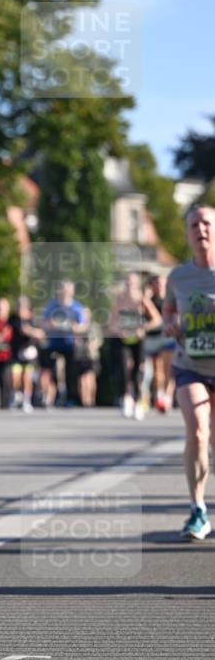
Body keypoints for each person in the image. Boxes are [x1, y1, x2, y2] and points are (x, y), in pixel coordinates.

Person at [163, 202, 215, 541]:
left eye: (207, 223)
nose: (201, 230)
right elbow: (168, 309)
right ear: (186, 234)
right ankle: (197, 509)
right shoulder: (178, 277)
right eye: (194, 225)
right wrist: (170, 323)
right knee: (197, 431)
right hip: (190, 364)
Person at [108, 272, 161, 420]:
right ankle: (126, 399)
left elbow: (157, 320)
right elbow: (111, 322)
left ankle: (138, 401)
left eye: (132, 282)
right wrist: (119, 331)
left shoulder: (142, 300)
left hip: (138, 340)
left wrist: (142, 329)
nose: (129, 285)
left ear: (137, 284)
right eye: (127, 282)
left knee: (139, 369)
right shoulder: (119, 300)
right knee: (123, 368)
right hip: (122, 339)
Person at [40, 280, 90, 406]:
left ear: (72, 291)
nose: (65, 292)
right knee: (52, 371)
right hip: (54, 344)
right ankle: (55, 396)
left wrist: (74, 327)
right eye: (63, 289)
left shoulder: (77, 307)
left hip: (70, 344)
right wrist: (51, 325)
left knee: (71, 372)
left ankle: (70, 398)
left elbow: (83, 326)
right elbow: (43, 322)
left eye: (68, 290)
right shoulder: (52, 305)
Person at [141, 275, 175, 413]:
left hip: (167, 337)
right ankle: (159, 395)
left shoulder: (171, 299)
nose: (159, 286)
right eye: (156, 283)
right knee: (156, 371)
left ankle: (168, 397)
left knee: (168, 369)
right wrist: (146, 298)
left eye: (162, 283)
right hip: (153, 338)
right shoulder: (149, 300)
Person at [8, 296, 43, 412]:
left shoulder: (33, 319)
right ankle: (15, 396)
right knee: (15, 376)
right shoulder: (13, 319)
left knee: (27, 377)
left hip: (29, 354)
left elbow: (40, 334)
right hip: (16, 354)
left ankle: (26, 400)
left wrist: (31, 331)